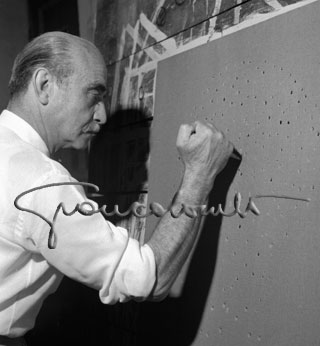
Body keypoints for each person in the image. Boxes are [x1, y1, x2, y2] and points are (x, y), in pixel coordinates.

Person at [0, 32, 233, 346]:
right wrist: (199, 176)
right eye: (93, 95)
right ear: (44, 85)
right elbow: (147, 279)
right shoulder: (41, 180)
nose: (102, 115)